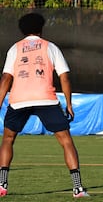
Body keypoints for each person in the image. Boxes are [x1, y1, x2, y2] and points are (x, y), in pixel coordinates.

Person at [0, 13, 89, 198]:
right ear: (41, 28)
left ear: (22, 30)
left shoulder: (15, 49)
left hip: (19, 99)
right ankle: (78, 188)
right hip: (45, 98)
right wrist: (69, 104)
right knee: (66, 141)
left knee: (8, 139)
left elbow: (6, 78)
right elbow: (64, 76)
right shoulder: (51, 47)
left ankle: (2, 185)